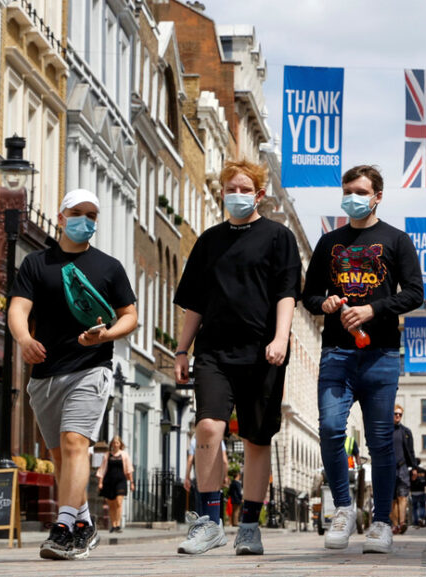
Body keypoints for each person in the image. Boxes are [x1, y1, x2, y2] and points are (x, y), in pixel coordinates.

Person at [174, 159, 301, 556]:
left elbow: (286, 293)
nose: (238, 195)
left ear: (259, 195)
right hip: (213, 350)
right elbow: (194, 302)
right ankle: (209, 523)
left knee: (256, 438)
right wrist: (181, 349)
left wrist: (280, 338)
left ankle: (248, 525)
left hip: (264, 351)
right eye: (231, 188)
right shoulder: (208, 241)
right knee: (209, 427)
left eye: (245, 189)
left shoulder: (278, 238)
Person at [9, 189, 138, 560]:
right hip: (45, 372)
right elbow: (18, 308)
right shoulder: (36, 264)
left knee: (74, 444)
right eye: (78, 213)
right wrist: (23, 338)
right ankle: (83, 521)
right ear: (62, 217)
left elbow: (129, 315)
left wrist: (108, 333)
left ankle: (63, 527)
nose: (86, 221)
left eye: (93, 215)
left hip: (91, 367)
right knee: (61, 460)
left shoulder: (109, 267)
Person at [302, 164, 424, 554]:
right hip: (336, 352)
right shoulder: (329, 243)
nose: (352, 197)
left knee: (380, 442)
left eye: (360, 191)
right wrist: (326, 301)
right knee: (331, 429)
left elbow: (415, 293)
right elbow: (308, 297)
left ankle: (382, 524)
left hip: (381, 354)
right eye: (347, 190)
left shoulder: (396, 240)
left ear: (377, 196)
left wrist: (373, 309)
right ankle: (343, 509)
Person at [96, 436, 134, 533]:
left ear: (120, 444)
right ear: (112, 444)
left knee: (118, 502)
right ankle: (113, 524)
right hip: (109, 481)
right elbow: (102, 469)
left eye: (117, 443)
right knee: (111, 504)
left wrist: (131, 482)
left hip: (121, 481)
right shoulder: (107, 455)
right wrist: (100, 482)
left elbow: (129, 469)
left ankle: (118, 524)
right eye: (114, 443)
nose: (116, 444)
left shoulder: (124, 455)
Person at [391, 404, 417, 535]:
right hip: (388, 468)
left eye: (400, 414)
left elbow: (411, 451)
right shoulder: (385, 430)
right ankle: (395, 525)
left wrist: (414, 468)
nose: (397, 416)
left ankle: (402, 523)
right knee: (392, 500)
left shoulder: (406, 432)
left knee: (403, 496)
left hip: (402, 467)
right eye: (395, 413)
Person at [410, 458, 426, 529]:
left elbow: (409, 481)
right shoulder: (424, 471)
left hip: (414, 492)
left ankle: (416, 522)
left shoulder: (411, 472)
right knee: (422, 506)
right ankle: (421, 518)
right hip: (421, 491)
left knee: (414, 507)